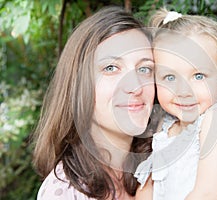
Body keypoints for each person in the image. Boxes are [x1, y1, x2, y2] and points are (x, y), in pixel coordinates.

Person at [32, 6, 156, 200]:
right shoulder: (65, 193)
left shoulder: (164, 167)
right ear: (79, 86)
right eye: (111, 68)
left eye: (145, 69)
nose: (136, 86)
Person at [134, 8, 217, 200]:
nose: (183, 91)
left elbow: (208, 194)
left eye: (198, 76)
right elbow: (147, 190)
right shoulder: (164, 129)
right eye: (169, 77)